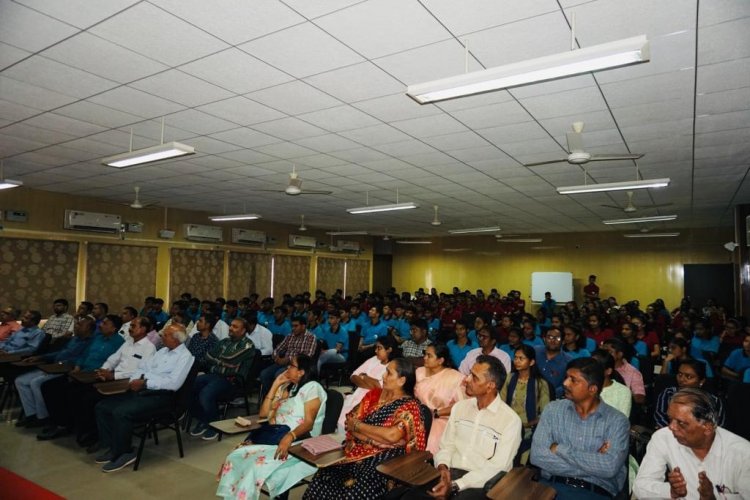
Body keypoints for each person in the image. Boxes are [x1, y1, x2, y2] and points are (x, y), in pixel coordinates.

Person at [396, 355, 522, 499]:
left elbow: (497, 467)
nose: (466, 379)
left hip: (480, 484)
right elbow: (446, 446)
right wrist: (442, 467)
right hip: (448, 473)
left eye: (474, 377)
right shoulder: (460, 408)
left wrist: (456, 485)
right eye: (469, 373)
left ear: (490, 385)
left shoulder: (510, 421)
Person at [303, 358, 426, 499]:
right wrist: (373, 437)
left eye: (389, 373)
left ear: (402, 380)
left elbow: (392, 436)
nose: (383, 376)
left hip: (386, 461)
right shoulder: (374, 395)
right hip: (357, 451)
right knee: (324, 477)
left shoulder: (410, 406)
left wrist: (359, 427)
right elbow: (350, 421)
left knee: (355, 489)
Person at [216, 354, 327, 500]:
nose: (287, 368)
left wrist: (289, 437)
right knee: (236, 455)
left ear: (302, 371)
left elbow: (308, 422)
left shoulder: (312, 387)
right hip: (275, 435)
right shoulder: (288, 387)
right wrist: (276, 384)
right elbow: (263, 414)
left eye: (292, 365)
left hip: (298, 441)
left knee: (253, 463)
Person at [94, 324, 194, 472]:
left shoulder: (185, 357)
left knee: (121, 412)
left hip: (163, 398)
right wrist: (134, 381)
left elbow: (173, 383)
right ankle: (114, 447)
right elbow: (142, 367)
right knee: (102, 407)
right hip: (142, 390)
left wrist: (146, 383)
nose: (161, 337)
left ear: (176, 339)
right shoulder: (162, 351)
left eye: (165, 335)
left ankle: (126, 452)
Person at [531, 357, 630, 499]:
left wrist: (560, 449)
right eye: (566, 377)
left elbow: (609, 467)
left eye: (573, 380)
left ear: (592, 389)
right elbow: (537, 456)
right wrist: (593, 466)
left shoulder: (617, 421)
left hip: (595, 492)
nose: (565, 383)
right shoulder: (553, 410)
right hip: (552, 488)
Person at [633, 388, 750, 499]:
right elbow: (640, 486)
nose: (671, 427)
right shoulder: (663, 437)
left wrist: (715, 498)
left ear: (708, 428)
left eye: (681, 423)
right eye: (670, 419)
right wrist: (671, 492)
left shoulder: (743, 452)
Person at [14, 318, 95, 428]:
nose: (76, 326)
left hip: (65, 369)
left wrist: (63, 363)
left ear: (89, 329)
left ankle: (43, 418)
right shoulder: (75, 339)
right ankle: (32, 414)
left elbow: (82, 358)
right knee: (20, 381)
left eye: (80, 325)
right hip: (53, 366)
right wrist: (40, 357)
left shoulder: (91, 342)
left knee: (36, 383)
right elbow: (60, 352)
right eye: (76, 324)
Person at [189, 318, 256, 440]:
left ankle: (214, 424)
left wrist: (217, 361)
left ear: (243, 331)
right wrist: (222, 363)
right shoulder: (225, 341)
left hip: (232, 380)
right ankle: (204, 418)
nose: (230, 328)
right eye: (231, 325)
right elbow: (207, 356)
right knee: (189, 386)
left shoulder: (248, 345)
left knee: (206, 393)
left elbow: (230, 358)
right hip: (216, 375)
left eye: (235, 327)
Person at [501, 344, 551, 465]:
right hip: (508, 427)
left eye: (521, 358)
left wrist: (528, 424)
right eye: (515, 358)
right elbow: (501, 403)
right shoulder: (510, 378)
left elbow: (546, 413)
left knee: (521, 466)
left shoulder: (540, 383)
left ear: (531, 362)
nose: (517, 361)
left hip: (529, 430)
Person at [337, 335, 398, 433]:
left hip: (374, 400)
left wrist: (364, 376)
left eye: (379, 348)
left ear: (389, 349)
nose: (376, 351)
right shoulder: (374, 359)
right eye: (376, 348)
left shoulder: (393, 366)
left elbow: (379, 387)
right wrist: (369, 382)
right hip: (358, 394)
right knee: (342, 413)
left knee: (353, 419)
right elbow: (353, 376)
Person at [414, 343, 466, 454]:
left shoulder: (455, 378)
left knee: (431, 443)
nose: (425, 358)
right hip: (417, 416)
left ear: (440, 360)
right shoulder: (419, 372)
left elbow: (462, 406)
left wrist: (436, 413)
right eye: (425, 354)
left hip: (440, 419)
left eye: (429, 355)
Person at [654, 359, 725, 429]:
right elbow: (660, 418)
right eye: (680, 374)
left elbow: (717, 427)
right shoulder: (669, 394)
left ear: (701, 381)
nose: (681, 379)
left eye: (689, 377)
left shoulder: (714, 402)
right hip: (670, 435)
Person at [259, 317, 316, 399]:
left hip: (297, 366)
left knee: (278, 374)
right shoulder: (290, 336)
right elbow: (277, 349)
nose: (293, 328)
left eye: (296, 326)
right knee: (264, 374)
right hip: (282, 363)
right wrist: (276, 358)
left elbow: (307, 356)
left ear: (303, 326)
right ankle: (272, 396)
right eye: (292, 326)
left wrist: (288, 359)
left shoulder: (310, 337)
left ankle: (279, 397)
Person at [602, 337, 646, 405]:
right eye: (602, 352)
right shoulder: (597, 368)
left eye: (609, 352)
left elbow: (640, 398)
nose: (604, 355)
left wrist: (623, 396)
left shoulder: (632, 372)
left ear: (619, 354)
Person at [535, 327, 571, 398]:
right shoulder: (535, 351)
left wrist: (551, 393)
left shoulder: (568, 361)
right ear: (544, 339)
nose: (553, 340)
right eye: (549, 337)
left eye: (557, 338)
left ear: (563, 341)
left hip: (553, 398)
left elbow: (568, 383)